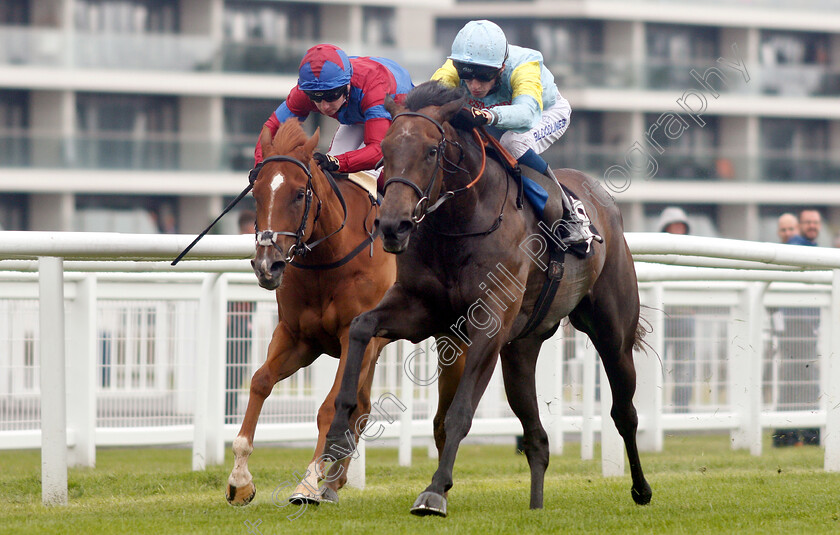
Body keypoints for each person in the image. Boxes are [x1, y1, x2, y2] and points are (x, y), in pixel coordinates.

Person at [431, 20, 598, 249]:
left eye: (483, 76)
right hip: (495, 116)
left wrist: (485, 116)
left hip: (545, 113)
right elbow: (429, 99)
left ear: (501, 68)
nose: (474, 85)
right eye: (467, 77)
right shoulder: (454, 66)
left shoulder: (524, 65)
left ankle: (571, 214)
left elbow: (527, 115)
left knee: (513, 142)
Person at [254, 44, 413, 189]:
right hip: (358, 113)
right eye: (315, 98)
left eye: (331, 96)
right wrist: (261, 165)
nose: (324, 106)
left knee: (370, 176)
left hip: (396, 113)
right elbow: (271, 127)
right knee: (327, 175)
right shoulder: (305, 91)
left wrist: (338, 163)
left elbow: (378, 151)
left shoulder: (374, 89)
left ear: (347, 85)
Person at [774, 209, 822, 446]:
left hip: (802, 324)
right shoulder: (797, 244)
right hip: (798, 325)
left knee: (796, 378)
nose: (812, 225)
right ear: (801, 226)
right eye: (808, 222)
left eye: (815, 222)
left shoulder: (810, 247)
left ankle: (790, 435)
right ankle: (805, 434)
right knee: (804, 379)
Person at [657, 206, 695, 412]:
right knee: (656, 363)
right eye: (674, 225)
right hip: (661, 316)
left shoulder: (691, 252)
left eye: (681, 226)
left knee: (685, 365)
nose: (678, 229)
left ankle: (682, 408)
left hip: (685, 317)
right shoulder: (657, 252)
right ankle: (654, 407)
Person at [226, 209, 257, 424]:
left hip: (244, 321)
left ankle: (229, 415)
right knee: (229, 370)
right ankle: (225, 415)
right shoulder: (235, 249)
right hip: (231, 320)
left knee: (237, 371)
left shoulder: (254, 250)